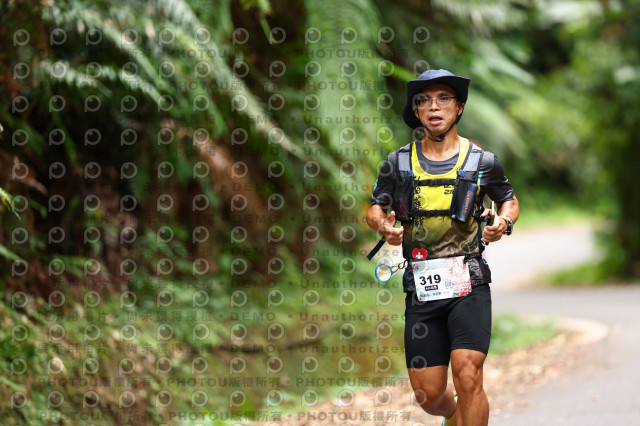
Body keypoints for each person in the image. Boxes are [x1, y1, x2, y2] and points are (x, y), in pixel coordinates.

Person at [366, 69, 519, 426]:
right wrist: (383, 226)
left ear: (459, 107)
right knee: (429, 395)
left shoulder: (482, 162)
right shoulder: (397, 163)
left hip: (469, 282)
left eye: (443, 99)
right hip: (422, 287)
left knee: (468, 374)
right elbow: (376, 208)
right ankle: (452, 415)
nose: (434, 107)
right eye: (424, 101)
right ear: (416, 112)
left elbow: (508, 200)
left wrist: (504, 222)